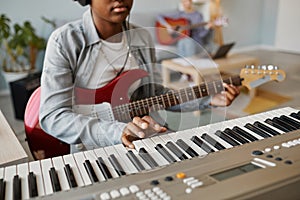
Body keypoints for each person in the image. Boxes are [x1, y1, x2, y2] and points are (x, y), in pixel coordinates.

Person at [39, 0, 240, 153]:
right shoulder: (65, 41)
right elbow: (53, 117)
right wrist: (116, 132)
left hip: (148, 133)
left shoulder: (142, 37)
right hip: (95, 146)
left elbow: (155, 95)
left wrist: (208, 99)